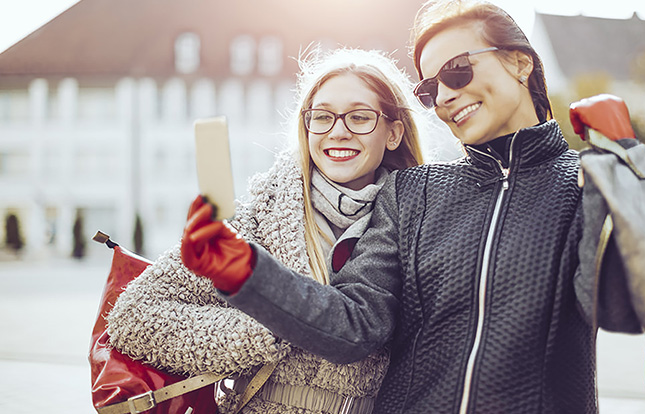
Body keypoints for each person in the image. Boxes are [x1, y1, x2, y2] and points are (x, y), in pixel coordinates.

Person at [179, 1, 645, 413]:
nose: (444, 96)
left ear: (520, 64)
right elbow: (356, 326)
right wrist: (247, 271)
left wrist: (630, 166)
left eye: (458, 71)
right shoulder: (413, 194)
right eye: (429, 88)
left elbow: (628, 306)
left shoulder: (587, 184)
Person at [105, 47, 425, 414]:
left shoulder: (416, 221)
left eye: (360, 116)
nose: (338, 131)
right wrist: (268, 328)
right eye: (321, 117)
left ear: (393, 133)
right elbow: (133, 316)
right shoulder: (257, 216)